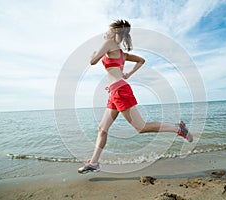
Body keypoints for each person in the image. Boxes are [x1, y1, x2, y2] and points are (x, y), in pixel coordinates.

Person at [78, 20, 193, 174]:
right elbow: (141, 60)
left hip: (120, 92)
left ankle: (178, 129)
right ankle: (94, 163)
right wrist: (128, 74)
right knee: (102, 129)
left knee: (141, 127)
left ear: (115, 32)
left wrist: (94, 54)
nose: (105, 33)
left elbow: (93, 61)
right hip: (114, 92)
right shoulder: (121, 54)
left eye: (108, 30)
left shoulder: (108, 43)